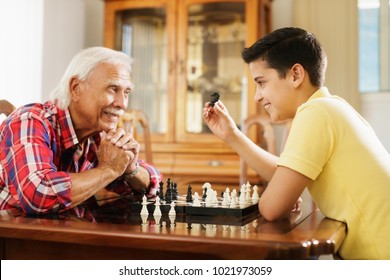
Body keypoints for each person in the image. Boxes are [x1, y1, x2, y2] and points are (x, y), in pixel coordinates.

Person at [203, 27, 390, 259]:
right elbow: (285, 172)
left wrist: (279, 196)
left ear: (295, 75)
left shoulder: (315, 113)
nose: (257, 96)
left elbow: (270, 209)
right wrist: (232, 135)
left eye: (261, 82)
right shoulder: (332, 106)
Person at [0, 47, 162, 215]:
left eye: (126, 92)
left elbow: (154, 182)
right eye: (112, 88)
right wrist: (108, 170)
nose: (122, 103)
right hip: (16, 236)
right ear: (76, 88)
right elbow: (38, 195)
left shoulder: (99, 135)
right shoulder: (30, 121)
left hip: (65, 232)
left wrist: (131, 169)